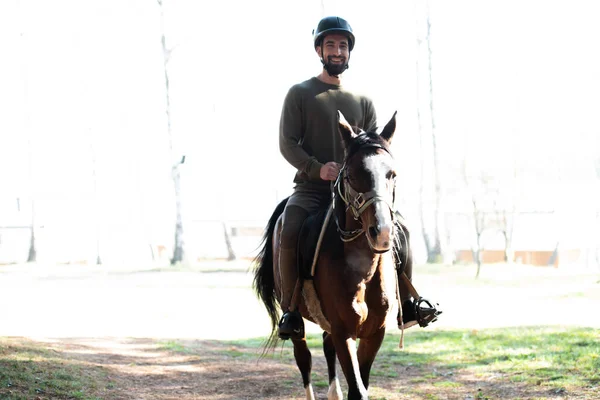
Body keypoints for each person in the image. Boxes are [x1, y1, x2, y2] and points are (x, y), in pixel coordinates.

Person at [277, 16, 440, 340]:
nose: (337, 51)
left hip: (356, 193)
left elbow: (373, 147)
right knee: (291, 227)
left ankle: (408, 303)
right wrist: (316, 168)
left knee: (401, 228)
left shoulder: (363, 101)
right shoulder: (300, 93)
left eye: (343, 46)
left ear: (349, 52)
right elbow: (287, 143)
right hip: (312, 189)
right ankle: (291, 310)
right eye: (331, 45)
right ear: (319, 50)